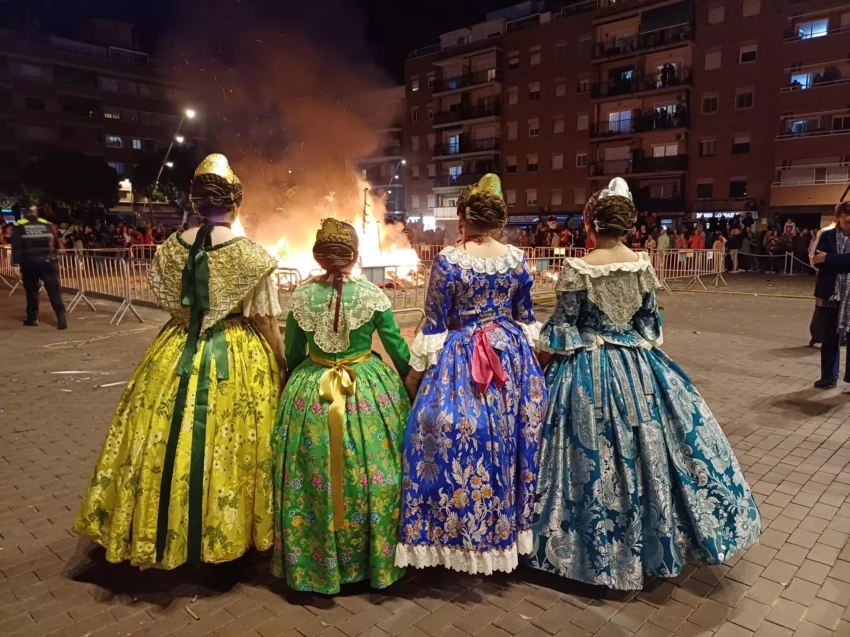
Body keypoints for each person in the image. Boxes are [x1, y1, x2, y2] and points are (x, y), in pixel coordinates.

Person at [526, 177, 761, 589]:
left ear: (590, 225)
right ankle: (657, 537)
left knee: (585, 453)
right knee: (655, 444)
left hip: (588, 367)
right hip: (638, 364)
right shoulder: (643, 264)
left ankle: (588, 550)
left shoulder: (577, 267)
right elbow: (649, 324)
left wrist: (540, 355)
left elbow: (562, 329)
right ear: (627, 227)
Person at [74, 154, 285, 567]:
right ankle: (226, 531)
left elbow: (170, 303)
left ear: (195, 202)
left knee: (160, 435)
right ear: (235, 202)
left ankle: (157, 526)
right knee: (234, 443)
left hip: (174, 349)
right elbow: (266, 319)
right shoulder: (252, 256)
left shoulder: (170, 248)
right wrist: (280, 361)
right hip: (235, 353)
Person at [395, 174, 547, 575]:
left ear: (462, 218)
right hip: (510, 355)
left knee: (443, 432)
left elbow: (433, 324)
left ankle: (454, 529)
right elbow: (526, 317)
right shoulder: (516, 259)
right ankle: (506, 529)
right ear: (499, 221)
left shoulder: (448, 260)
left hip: (461, 354)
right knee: (513, 436)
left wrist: (413, 379)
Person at [272, 218, 412, 594]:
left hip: (312, 386)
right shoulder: (371, 294)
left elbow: (294, 349)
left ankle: (316, 560)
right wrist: (410, 379)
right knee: (372, 469)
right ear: (354, 255)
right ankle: (372, 559)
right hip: (366, 385)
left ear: (319, 256)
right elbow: (396, 346)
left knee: (310, 472)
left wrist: (293, 374)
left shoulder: (301, 295)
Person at [811, 203, 850, 387]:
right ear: (839, 217)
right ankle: (828, 377)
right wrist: (837, 260)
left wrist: (830, 258)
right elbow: (817, 261)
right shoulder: (827, 235)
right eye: (846, 218)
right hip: (831, 294)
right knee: (829, 338)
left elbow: (826, 259)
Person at [10, 203, 67, 329]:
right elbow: (57, 244)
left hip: (29, 263)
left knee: (32, 291)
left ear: (25, 213)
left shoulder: (19, 225)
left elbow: (17, 247)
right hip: (48, 262)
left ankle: (32, 318)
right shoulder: (47, 224)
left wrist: (15, 263)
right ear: (36, 213)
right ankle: (61, 318)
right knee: (54, 291)